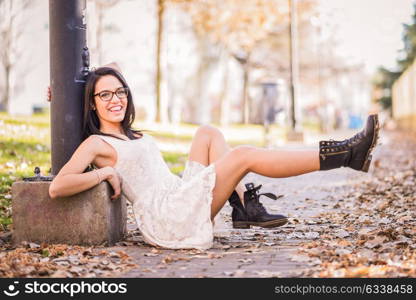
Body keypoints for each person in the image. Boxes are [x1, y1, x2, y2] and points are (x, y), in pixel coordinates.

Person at [48, 65, 380, 250]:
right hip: (167, 217)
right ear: (92, 103)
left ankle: (244, 206)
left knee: (208, 132)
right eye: (104, 95)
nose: (115, 99)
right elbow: (58, 186)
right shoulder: (96, 142)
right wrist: (103, 175)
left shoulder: (130, 133)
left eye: (120, 92)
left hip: (177, 194)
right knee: (244, 155)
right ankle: (345, 154)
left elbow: (112, 70)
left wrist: (75, 85)